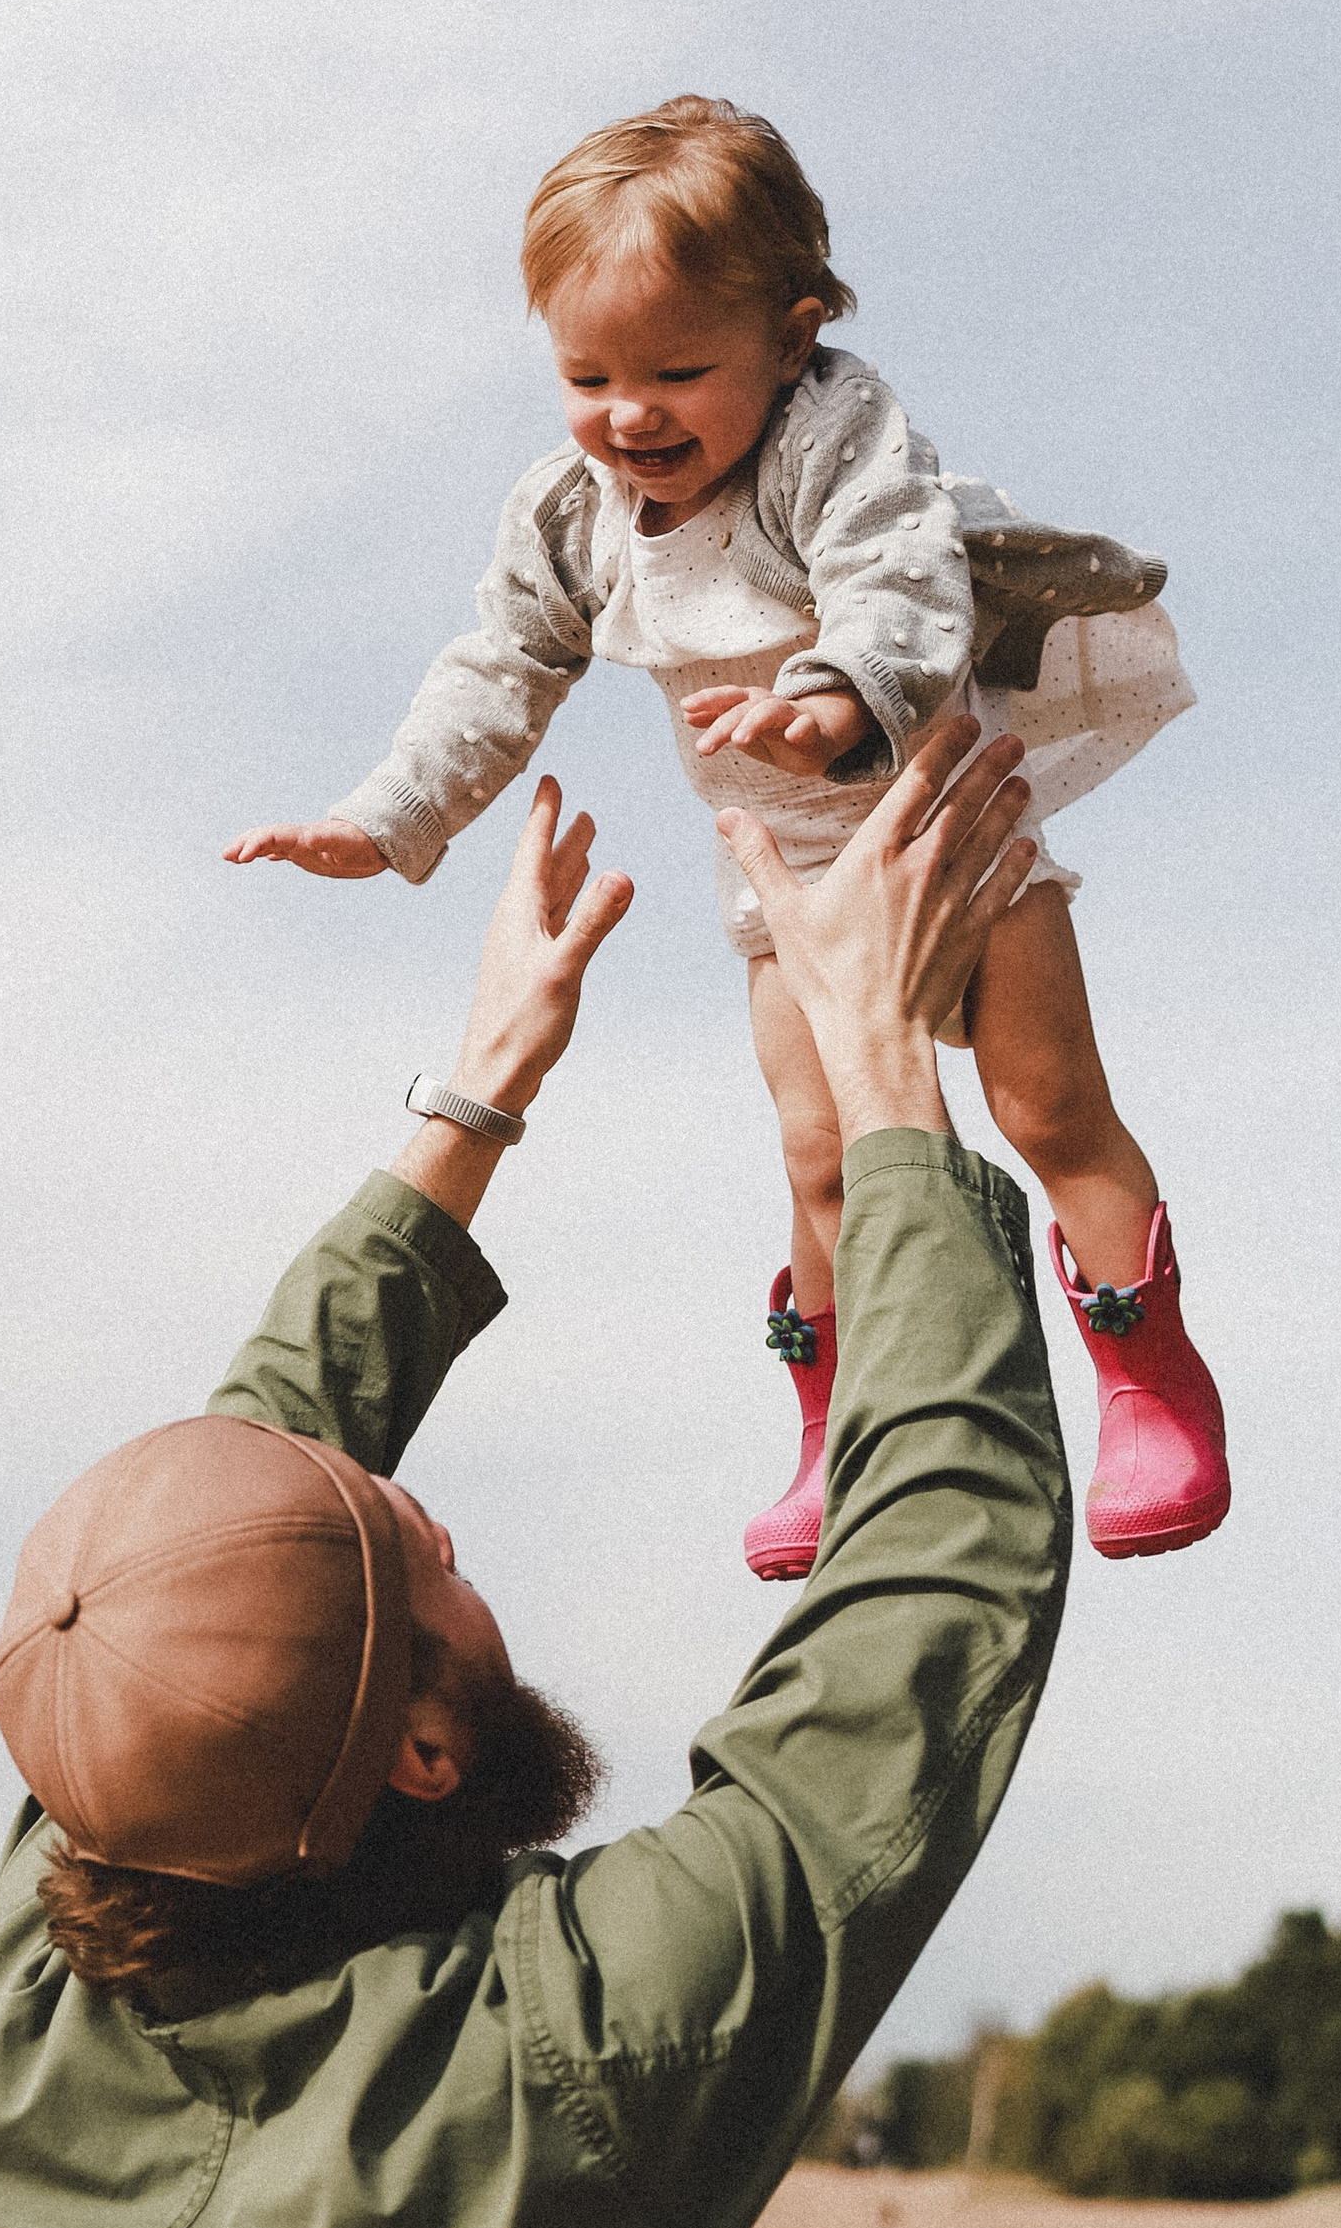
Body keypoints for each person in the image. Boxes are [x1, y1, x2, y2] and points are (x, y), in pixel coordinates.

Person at [0, 716, 1071, 2228]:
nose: (435, 1518)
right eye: (413, 1564)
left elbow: (200, 1587)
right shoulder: (580, 2062)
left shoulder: (26, 2018)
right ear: (428, 1752)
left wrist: (468, 1110)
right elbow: (922, 1612)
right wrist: (883, 1088)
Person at [225, 94, 1229, 1574]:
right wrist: (388, 816)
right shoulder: (573, 514)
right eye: (587, 375)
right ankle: (836, 1427)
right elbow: (502, 668)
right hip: (789, 883)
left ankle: (1148, 1374)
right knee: (819, 1158)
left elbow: (898, 578)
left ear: (793, 330)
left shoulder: (837, 437)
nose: (630, 415)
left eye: (679, 371)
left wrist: (834, 695)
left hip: (942, 825)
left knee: (1042, 1105)